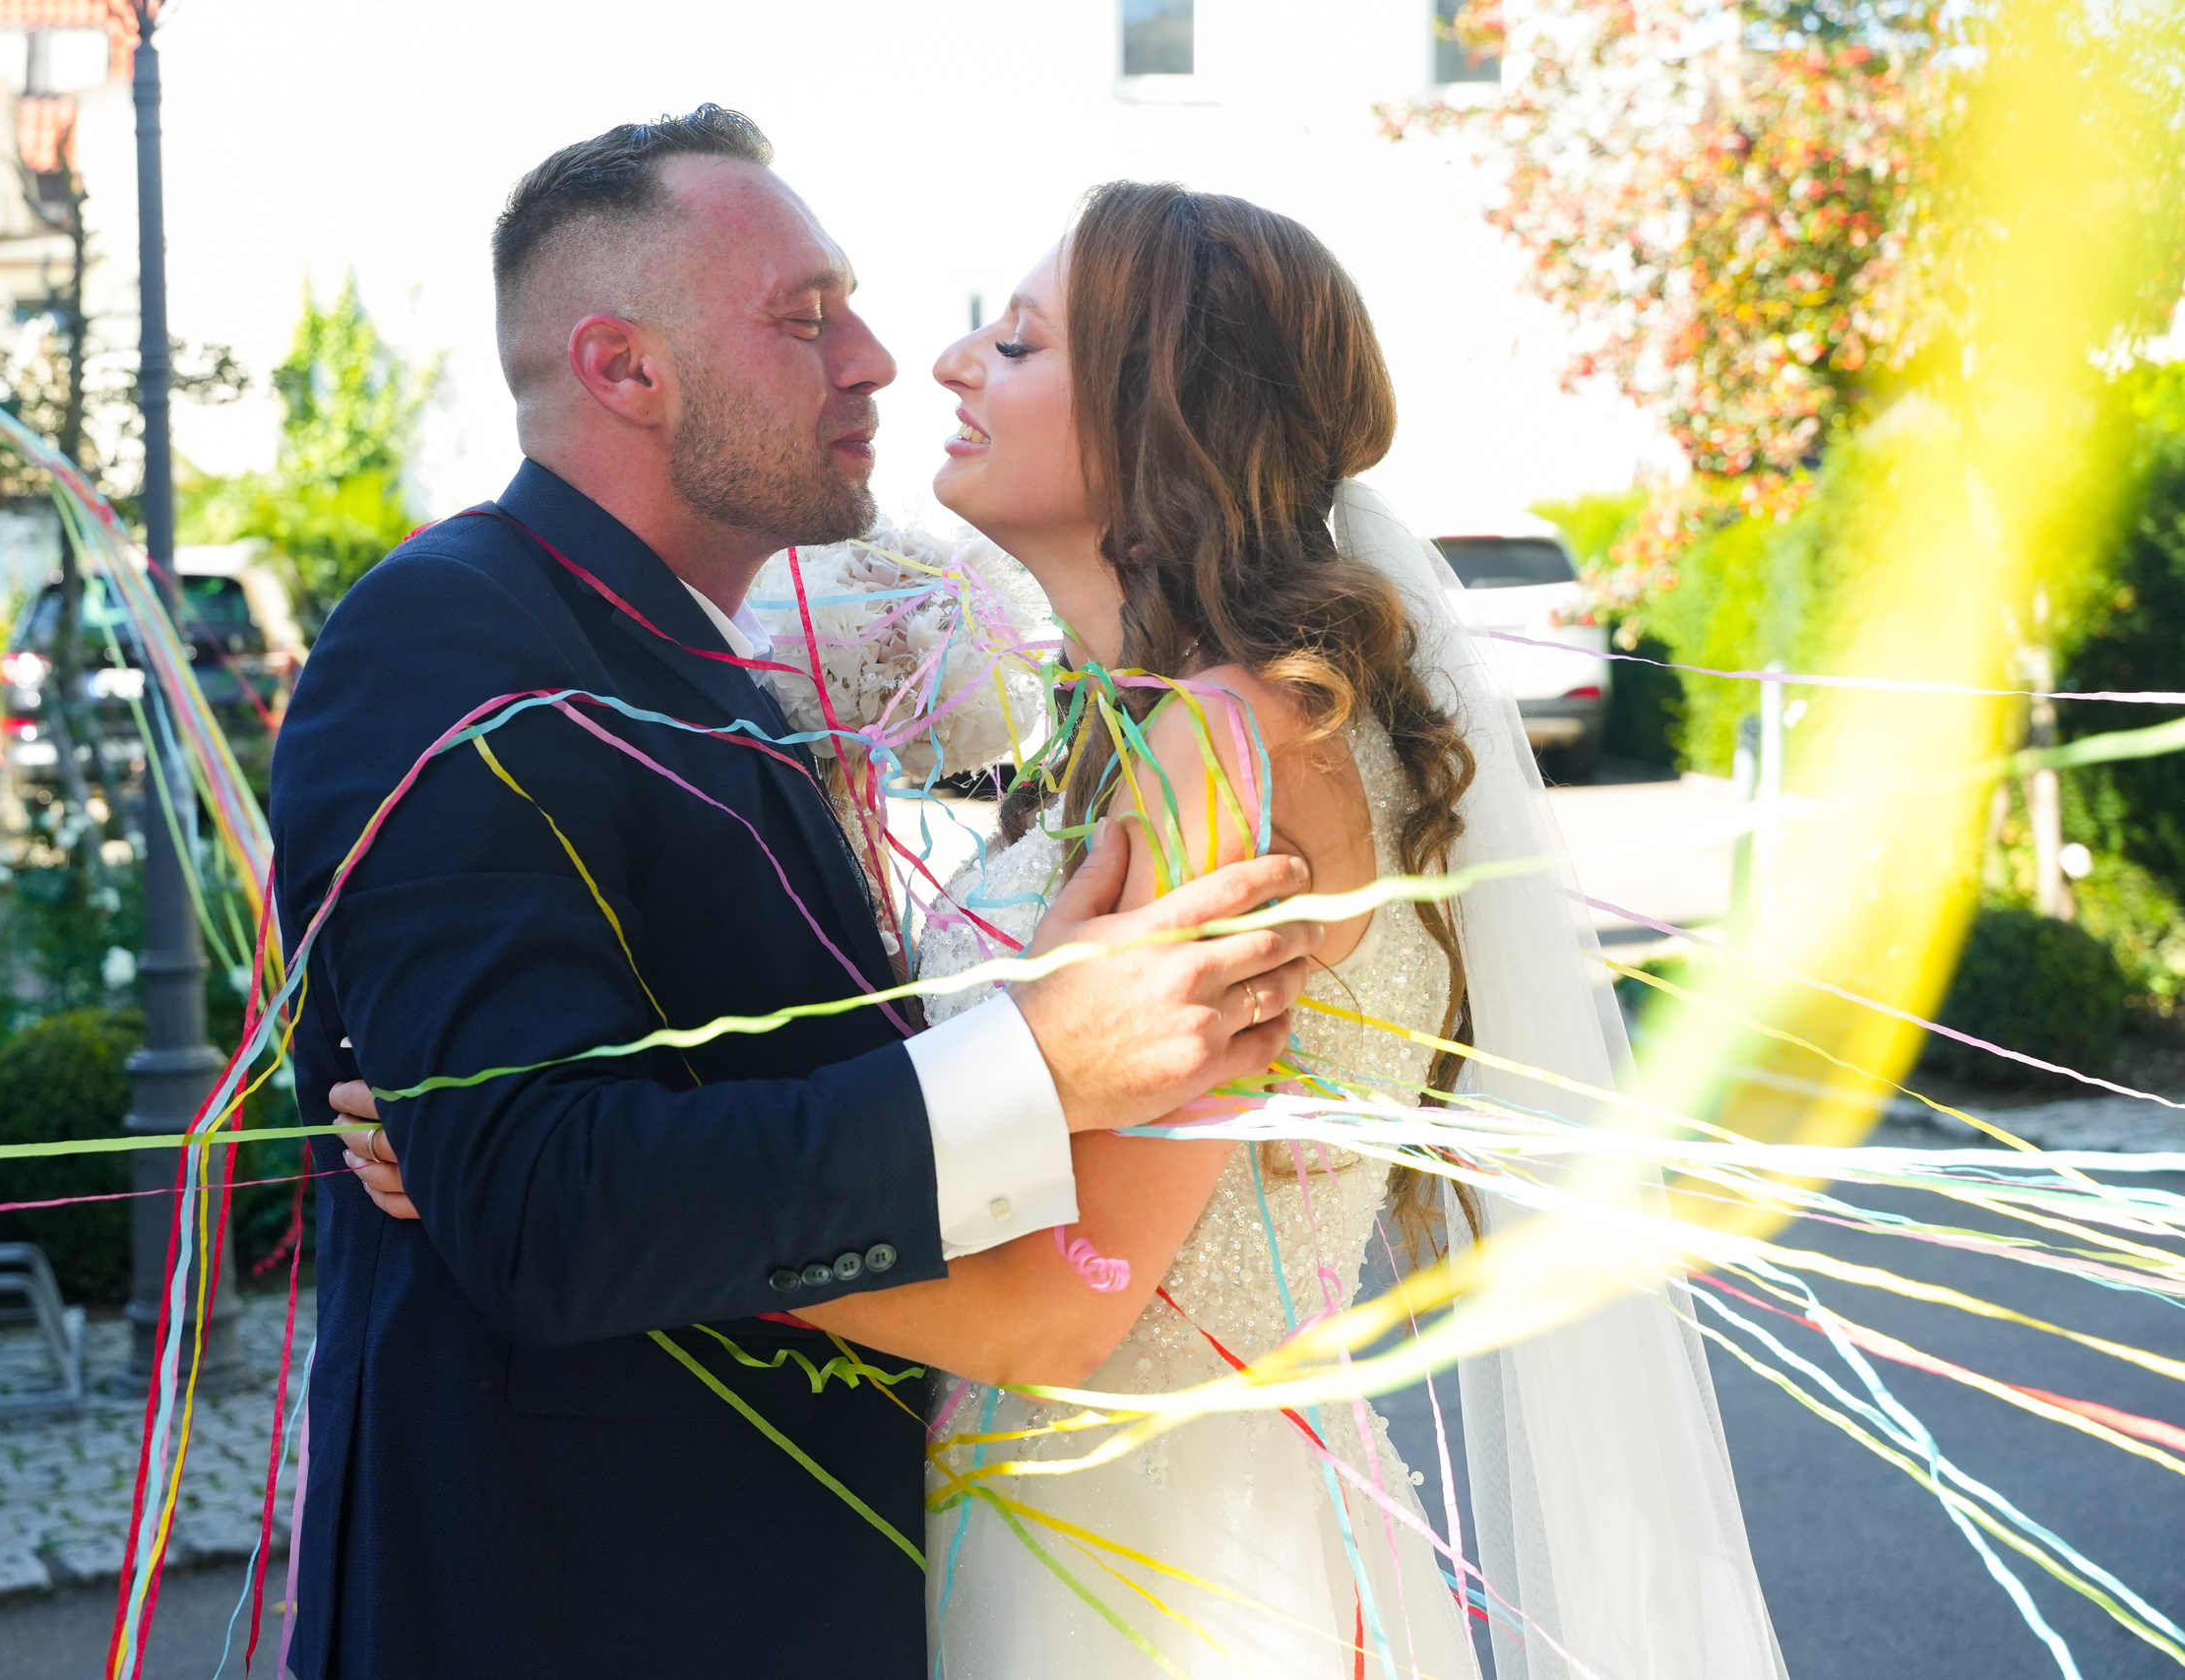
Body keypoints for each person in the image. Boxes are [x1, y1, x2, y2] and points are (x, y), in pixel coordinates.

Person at [343, 176, 1789, 1679]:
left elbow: (1056, 1309)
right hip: (1110, 1528)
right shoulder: (1160, 732)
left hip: (1145, 1581)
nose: (946, 363)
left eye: (1020, 346)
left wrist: (566, 1218)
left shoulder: (1228, 748)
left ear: (1162, 419)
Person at [266, 108, 1329, 1678]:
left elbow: (604, 1143)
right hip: (570, 1610)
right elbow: (541, 1210)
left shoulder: (711, 665)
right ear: (626, 369)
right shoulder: (453, 637)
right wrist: (1034, 1062)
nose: (883, 359)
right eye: (805, 316)